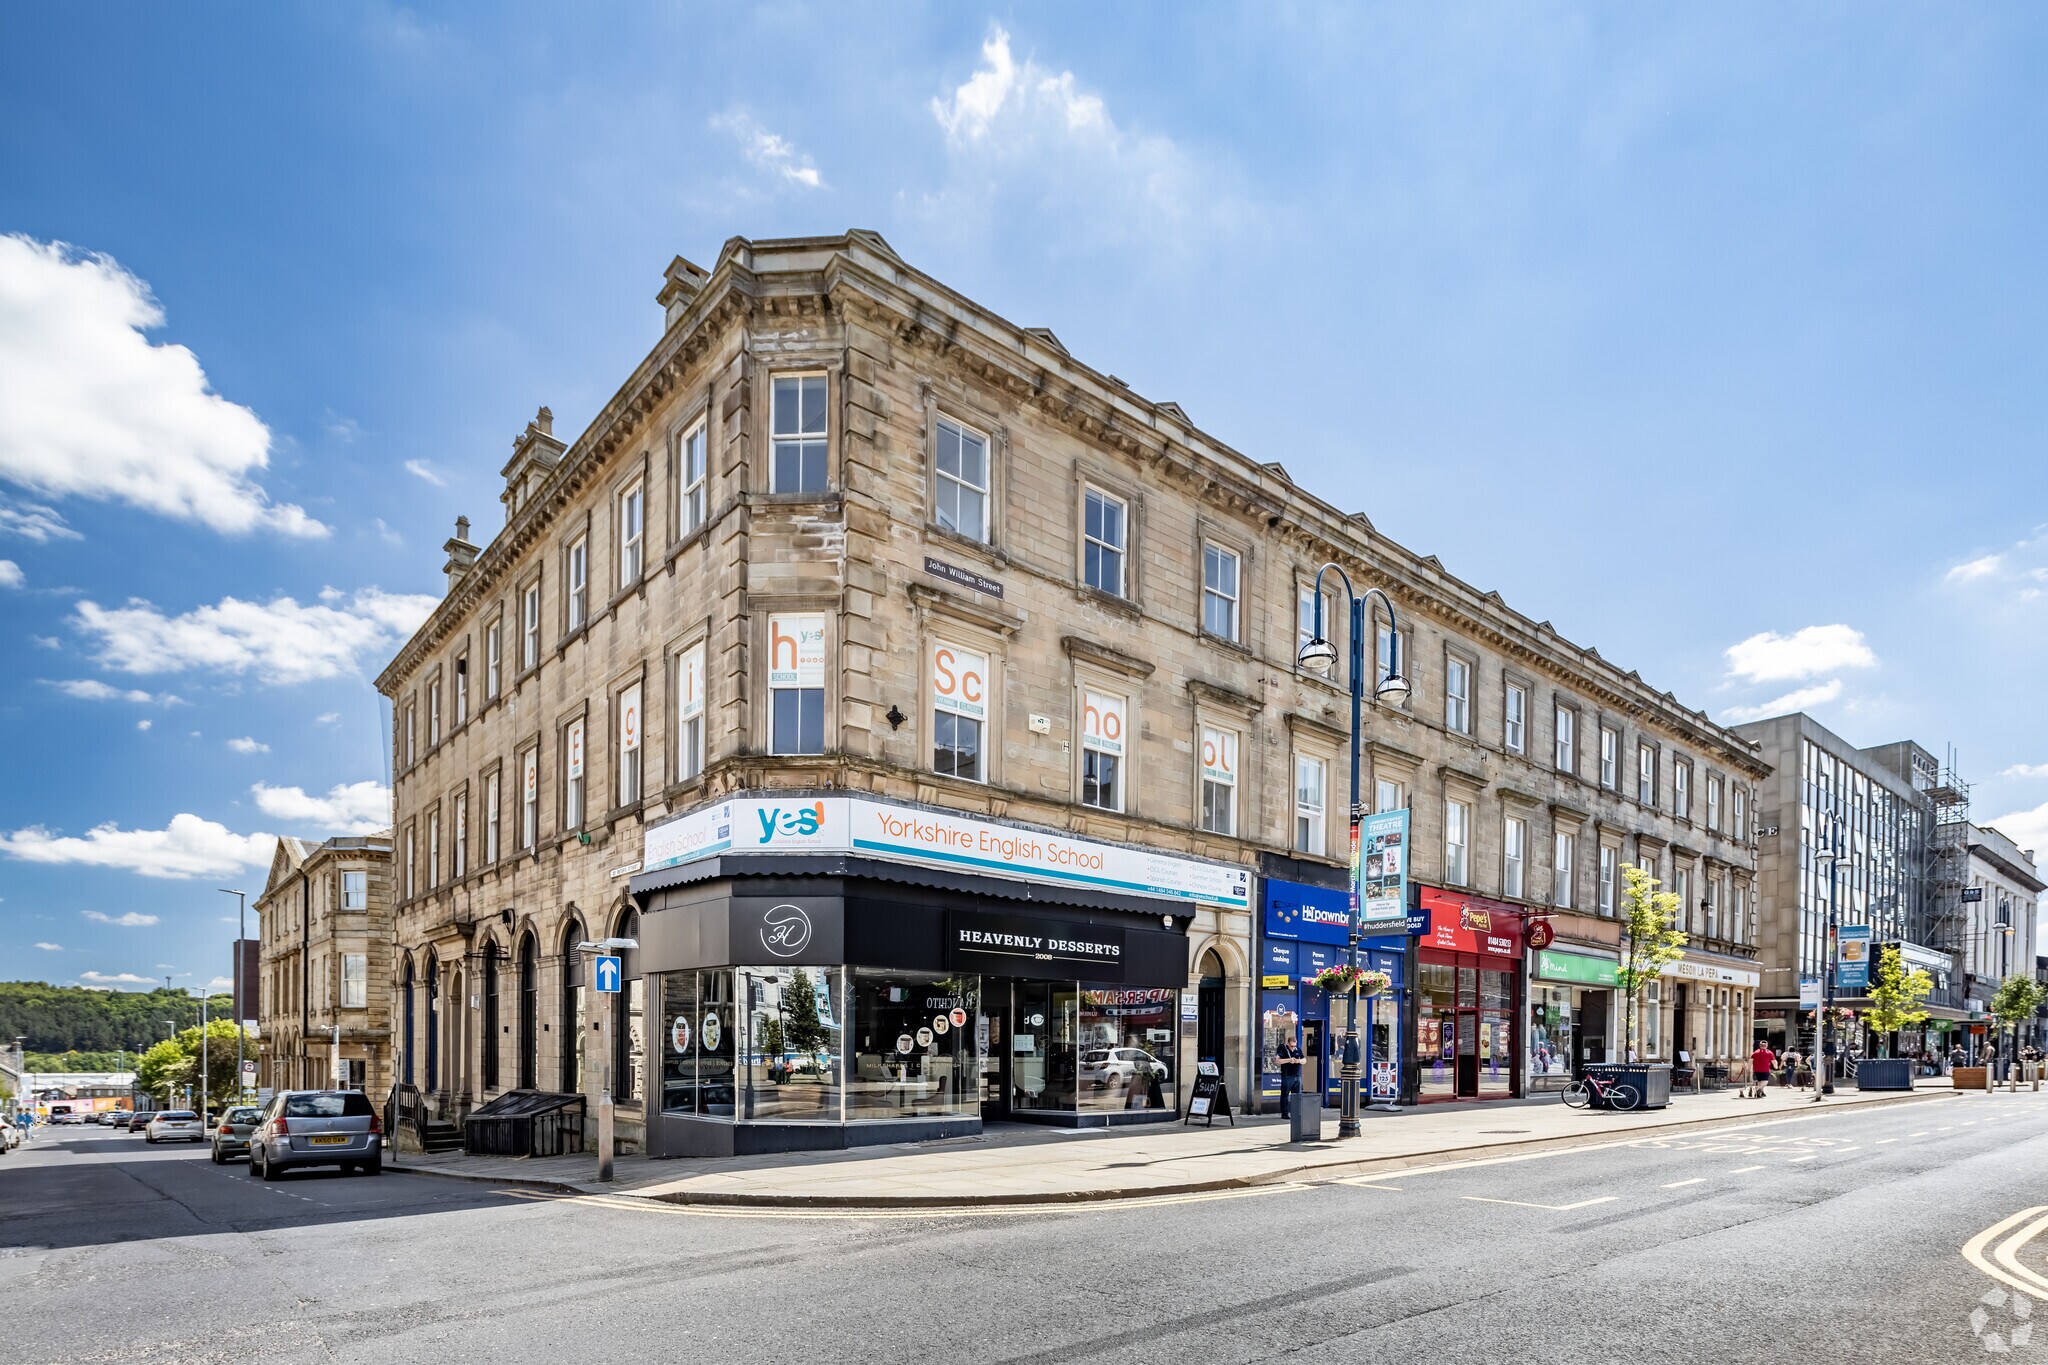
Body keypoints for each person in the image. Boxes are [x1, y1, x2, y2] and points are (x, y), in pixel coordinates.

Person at [1276, 1034, 1304, 1118]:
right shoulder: (1283, 1049)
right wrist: (1289, 1060)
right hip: (1287, 1076)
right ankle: (1284, 1113)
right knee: (1285, 1095)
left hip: (1297, 1075)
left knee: (1297, 1096)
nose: (1293, 1048)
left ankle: (1296, 1112)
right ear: (1288, 1043)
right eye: (1291, 1046)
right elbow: (1277, 1061)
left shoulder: (1298, 1050)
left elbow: (1304, 1060)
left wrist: (1298, 1061)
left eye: (1294, 1046)